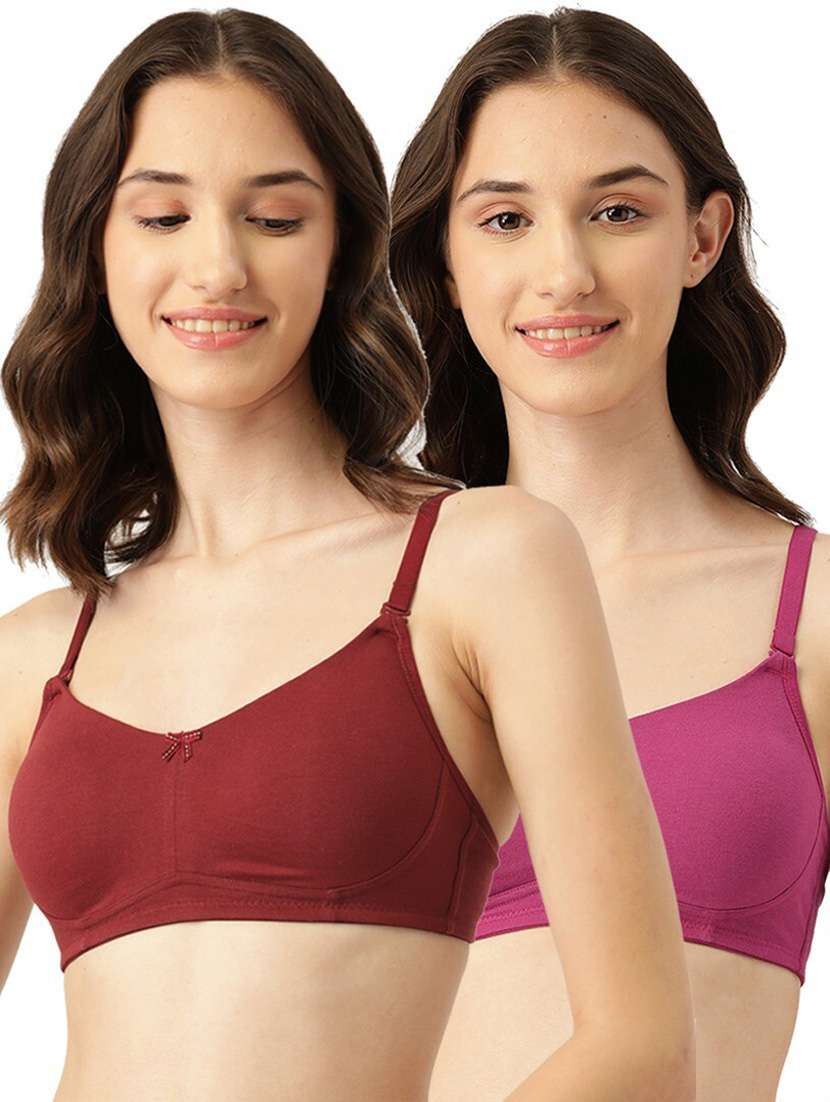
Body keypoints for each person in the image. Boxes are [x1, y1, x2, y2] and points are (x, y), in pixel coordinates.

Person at [0, 9, 694, 1102]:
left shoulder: (482, 563)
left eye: (275, 218)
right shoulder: (38, 656)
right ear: (95, 249)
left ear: (341, 252)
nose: (217, 265)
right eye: (164, 215)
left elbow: (642, 1048)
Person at [389, 7, 830, 1101]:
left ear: (702, 237)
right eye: (504, 220)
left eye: (618, 211)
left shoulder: (814, 615)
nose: (565, 272)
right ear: (444, 259)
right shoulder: (362, 606)